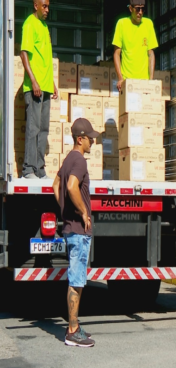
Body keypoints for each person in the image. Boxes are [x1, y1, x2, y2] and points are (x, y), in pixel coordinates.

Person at [52, 118, 100, 347]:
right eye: (89, 138)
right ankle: (72, 331)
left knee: (76, 277)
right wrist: (82, 212)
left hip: (71, 229)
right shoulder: (79, 160)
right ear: (79, 139)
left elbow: (56, 184)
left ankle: (75, 325)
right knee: (77, 279)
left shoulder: (68, 159)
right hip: (79, 231)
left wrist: (64, 208)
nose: (92, 141)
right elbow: (70, 186)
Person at [20, 0, 58, 179]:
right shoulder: (30, 23)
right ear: (36, 5)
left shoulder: (44, 26)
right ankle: (28, 169)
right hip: (34, 86)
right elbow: (24, 53)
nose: (47, 10)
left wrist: (52, 83)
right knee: (33, 128)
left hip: (46, 86)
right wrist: (34, 81)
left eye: (48, 6)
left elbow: (45, 59)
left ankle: (40, 169)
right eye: (44, 6)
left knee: (43, 129)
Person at [112, 0, 158, 92]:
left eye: (143, 9)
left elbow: (151, 53)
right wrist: (120, 78)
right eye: (137, 9)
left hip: (144, 81)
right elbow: (116, 54)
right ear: (130, 8)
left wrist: (151, 79)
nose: (140, 12)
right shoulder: (122, 24)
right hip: (127, 81)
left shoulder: (148, 24)